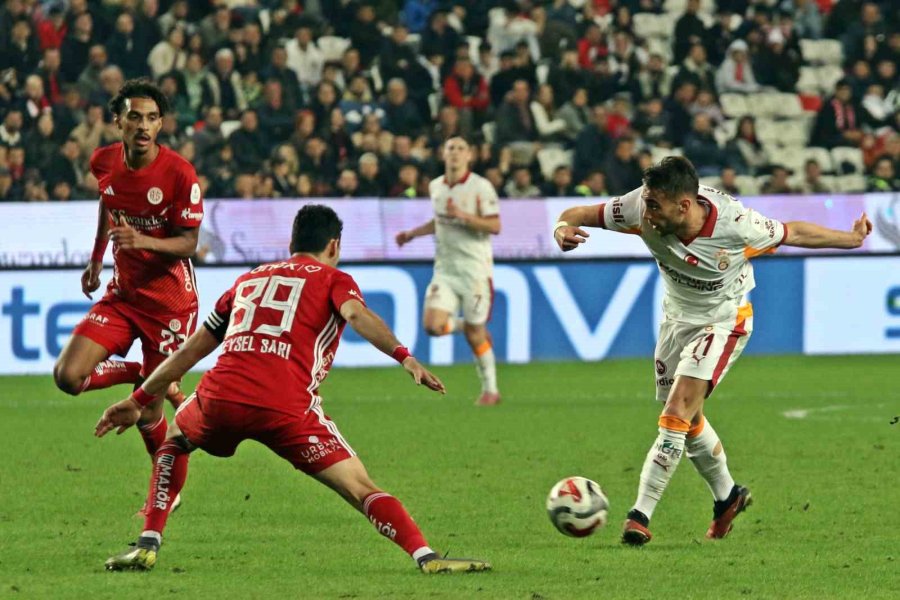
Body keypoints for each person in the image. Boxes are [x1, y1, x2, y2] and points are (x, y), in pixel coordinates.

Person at [95, 205, 491, 575]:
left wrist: (139, 399)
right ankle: (426, 557)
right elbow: (356, 315)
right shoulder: (336, 279)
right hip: (286, 408)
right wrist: (404, 356)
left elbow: (190, 350)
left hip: (220, 398)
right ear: (334, 246)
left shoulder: (248, 279)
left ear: (290, 244)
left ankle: (148, 543)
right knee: (359, 487)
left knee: (174, 441)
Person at [553, 156, 872, 545]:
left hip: (724, 320)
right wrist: (563, 227)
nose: (647, 213)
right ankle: (728, 497)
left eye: (656, 205)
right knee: (688, 422)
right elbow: (577, 212)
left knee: (675, 414)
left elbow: (794, 234)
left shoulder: (736, 224)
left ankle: (639, 515)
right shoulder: (638, 206)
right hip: (676, 319)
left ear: (684, 205)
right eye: (647, 203)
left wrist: (851, 239)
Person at [53, 79, 203, 475]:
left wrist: (143, 241)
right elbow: (109, 199)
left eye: (152, 119)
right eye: (134, 117)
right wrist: (97, 258)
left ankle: (164, 491)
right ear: (118, 121)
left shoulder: (179, 174)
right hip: (124, 293)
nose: (143, 126)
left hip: (170, 304)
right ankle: (144, 375)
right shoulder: (103, 161)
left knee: (149, 409)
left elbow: (189, 244)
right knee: (68, 376)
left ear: (160, 125)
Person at [395, 137, 502, 406]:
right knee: (432, 326)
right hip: (445, 269)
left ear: (470, 156)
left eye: (460, 149)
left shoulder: (481, 186)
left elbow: (495, 225)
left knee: (477, 336)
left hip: (475, 271)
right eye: (450, 148)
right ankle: (467, 325)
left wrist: (464, 216)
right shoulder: (435, 186)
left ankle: (490, 389)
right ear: (443, 154)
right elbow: (439, 220)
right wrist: (412, 234)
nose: (454, 153)